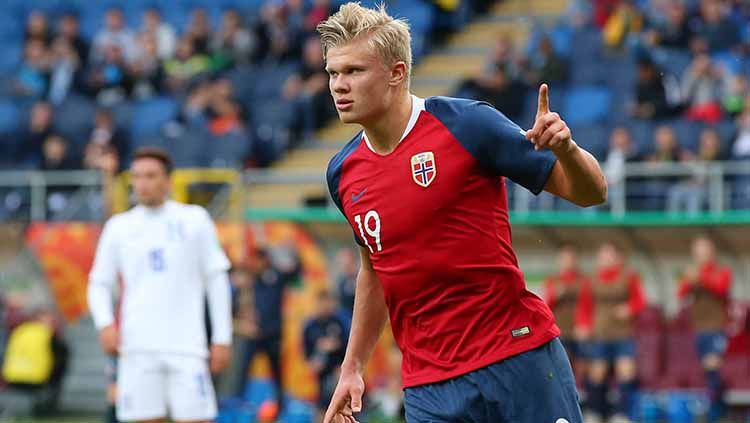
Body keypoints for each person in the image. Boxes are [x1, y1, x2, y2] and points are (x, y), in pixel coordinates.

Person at [319, 3, 608, 423]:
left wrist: (567, 148)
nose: (338, 86)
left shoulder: (468, 125)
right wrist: (353, 367)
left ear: (397, 73)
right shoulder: (343, 174)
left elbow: (592, 192)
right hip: (430, 388)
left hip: (518, 357)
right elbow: (376, 269)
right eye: (333, 73)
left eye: (354, 72)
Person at [87, 147, 232, 423]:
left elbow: (217, 280)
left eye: (151, 175)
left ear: (167, 180)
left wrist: (222, 338)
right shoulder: (119, 227)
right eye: (137, 176)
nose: (143, 183)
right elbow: (98, 283)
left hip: (187, 346)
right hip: (137, 348)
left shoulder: (194, 219)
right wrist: (105, 324)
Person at [576, 243, 646, 423]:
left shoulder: (629, 277)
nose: (604, 260)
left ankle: (622, 414)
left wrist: (629, 309)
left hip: (623, 333)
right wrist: (583, 325)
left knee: (626, 371)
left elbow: (640, 301)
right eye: (602, 256)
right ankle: (596, 412)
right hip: (600, 333)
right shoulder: (590, 280)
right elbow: (584, 307)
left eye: (609, 256)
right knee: (597, 373)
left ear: (617, 258)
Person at [677, 237, 732, 422]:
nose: (701, 256)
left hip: (717, 327)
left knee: (712, 366)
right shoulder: (691, 272)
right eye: (697, 252)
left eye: (704, 251)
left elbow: (722, 288)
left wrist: (701, 277)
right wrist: (689, 280)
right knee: (707, 371)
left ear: (712, 252)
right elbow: (681, 293)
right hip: (698, 329)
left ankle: (716, 414)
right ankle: (716, 410)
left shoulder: (721, 271)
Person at [303, 290, 348, 421]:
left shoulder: (340, 322)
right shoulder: (310, 326)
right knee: (322, 405)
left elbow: (349, 347)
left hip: (339, 372)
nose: (325, 306)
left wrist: (342, 368)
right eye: (322, 303)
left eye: (328, 303)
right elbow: (307, 354)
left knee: (339, 404)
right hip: (320, 373)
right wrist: (313, 364)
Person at [543, 245, 589, 372]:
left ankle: (581, 390)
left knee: (582, 364)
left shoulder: (583, 280)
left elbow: (586, 305)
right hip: (559, 328)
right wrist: (555, 295)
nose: (567, 262)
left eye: (570, 259)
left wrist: (583, 324)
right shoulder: (552, 280)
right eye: (564, 259)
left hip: (578, 328)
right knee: (562, 363)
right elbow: (546, 304)